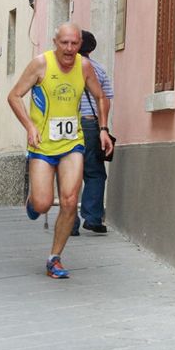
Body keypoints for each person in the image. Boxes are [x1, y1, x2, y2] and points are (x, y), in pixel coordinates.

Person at [7, 22, 114, 279]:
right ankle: (33, 202)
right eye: (64, 43)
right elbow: (14, 96)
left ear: (80, 45)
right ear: (55, 42)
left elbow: (101, 96)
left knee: (69, 200)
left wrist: (102, 128)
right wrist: (30, 126)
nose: (69, 49)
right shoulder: (40, 64)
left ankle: (54, 258)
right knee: (43, 203)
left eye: (74, 44)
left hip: (72, 143)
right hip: (42, 144)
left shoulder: (85, 67)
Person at [71, 30, 114, 236]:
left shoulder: (65, 68)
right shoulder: (99, 69)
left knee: (69, 172)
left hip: (67, 124)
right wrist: (103, 128)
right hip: (90, 124)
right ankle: (93, 217)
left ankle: (69, 222)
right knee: (95, 172)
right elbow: (105, 100)